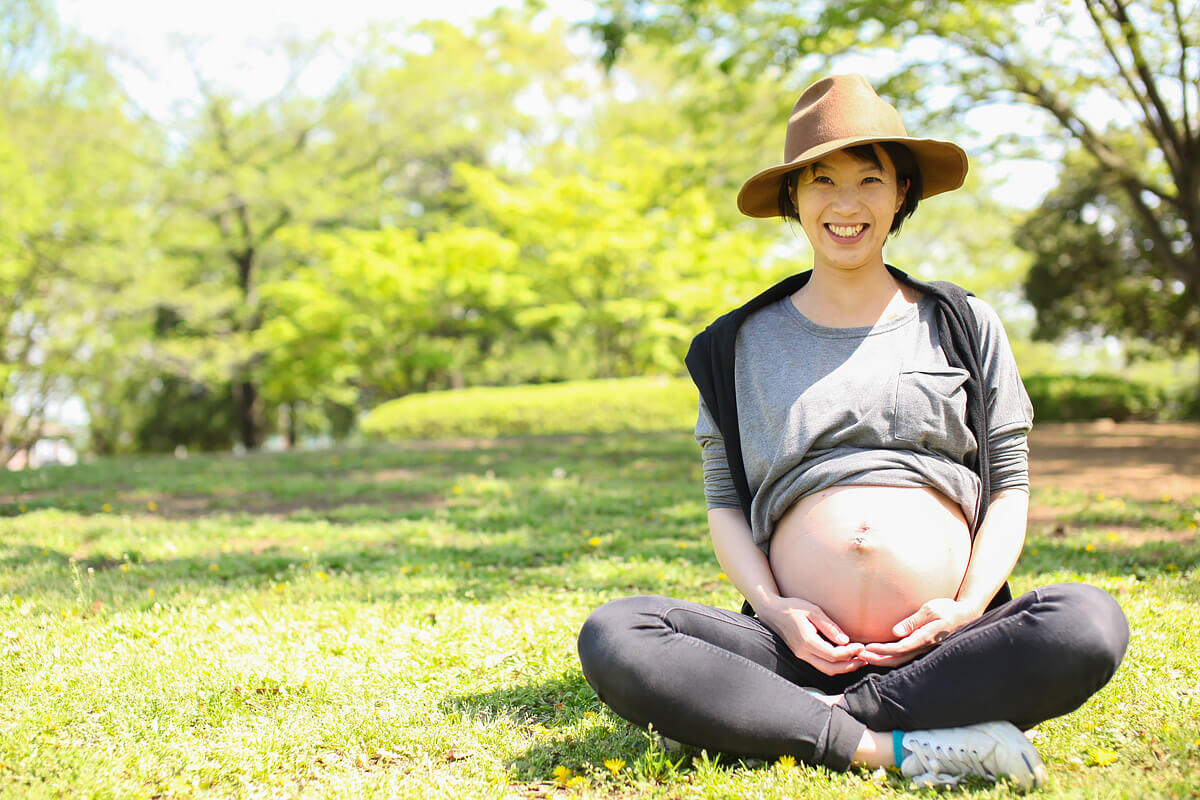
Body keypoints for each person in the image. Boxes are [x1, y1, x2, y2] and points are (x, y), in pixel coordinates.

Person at [576, 74, 1130, 789]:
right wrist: (775, 610)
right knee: (618, 633)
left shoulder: (964, 324)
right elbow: (724, 504)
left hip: (947, 643)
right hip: (791, 645)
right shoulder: (734, 346)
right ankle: (887, 746)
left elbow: (1010, 488)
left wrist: (964, 610)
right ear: (793, 197)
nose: (846, 203)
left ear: (902, 192)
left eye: (870, 179)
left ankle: (794, 720)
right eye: (822, 180)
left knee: (1086, 621)